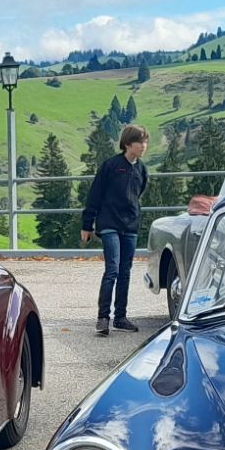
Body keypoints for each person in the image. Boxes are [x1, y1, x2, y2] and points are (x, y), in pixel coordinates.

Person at [82, 125, 150, 336]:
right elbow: (95, 195)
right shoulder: (111, 165)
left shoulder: (142, 169)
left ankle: (120, 317)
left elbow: (138, 194)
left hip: (130, 226)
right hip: (109, 223)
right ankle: (103, 318)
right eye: (140, 141)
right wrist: (87, 225)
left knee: (125, 271)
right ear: (128, 143)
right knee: (112, 269)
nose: (144, 146)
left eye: (146, 142)